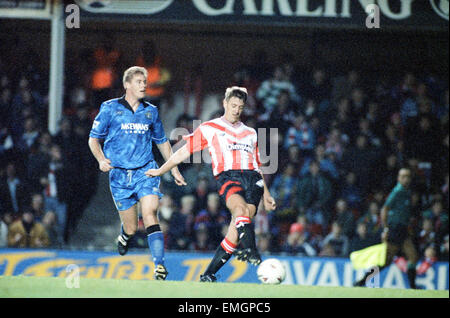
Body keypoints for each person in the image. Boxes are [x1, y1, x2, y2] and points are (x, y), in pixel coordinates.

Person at [146, 86, 277, 282]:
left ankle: (208, 274)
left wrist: (266, 194)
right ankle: (251, 250)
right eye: (233, 105)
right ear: (225, 103)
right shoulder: (209, 128)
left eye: (240, 107)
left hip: (253, 180)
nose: (236, 110)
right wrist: (161, 169)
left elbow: (257, 165)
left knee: (235, 233)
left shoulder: (250, 133)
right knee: (240, 211)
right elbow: (183, 152)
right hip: (228, 176)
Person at [88, 66, 186, 280]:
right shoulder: (110, 108)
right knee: (132, 228)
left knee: (150, 211)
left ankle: (159, 265)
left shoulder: (151, 110)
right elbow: (93, 139)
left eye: (145, 81)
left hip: (145, 171)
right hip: (120, 176)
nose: (144, 85)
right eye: (139, 81)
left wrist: (174, 169)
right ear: (127, 85)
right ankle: (124, 236)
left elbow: (161, 142)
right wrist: (101, 160)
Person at [354, 168, 419, 289]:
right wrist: (385, 229)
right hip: (394, 230)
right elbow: (384, 209)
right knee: (385, 262)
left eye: (408, 176)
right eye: (403, 176)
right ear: (398, 178)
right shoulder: (397, 191)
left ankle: (413, 287)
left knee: (413, 256)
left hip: (403, 230)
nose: (406, 179)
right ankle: (361, 282)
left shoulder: (406, 192)